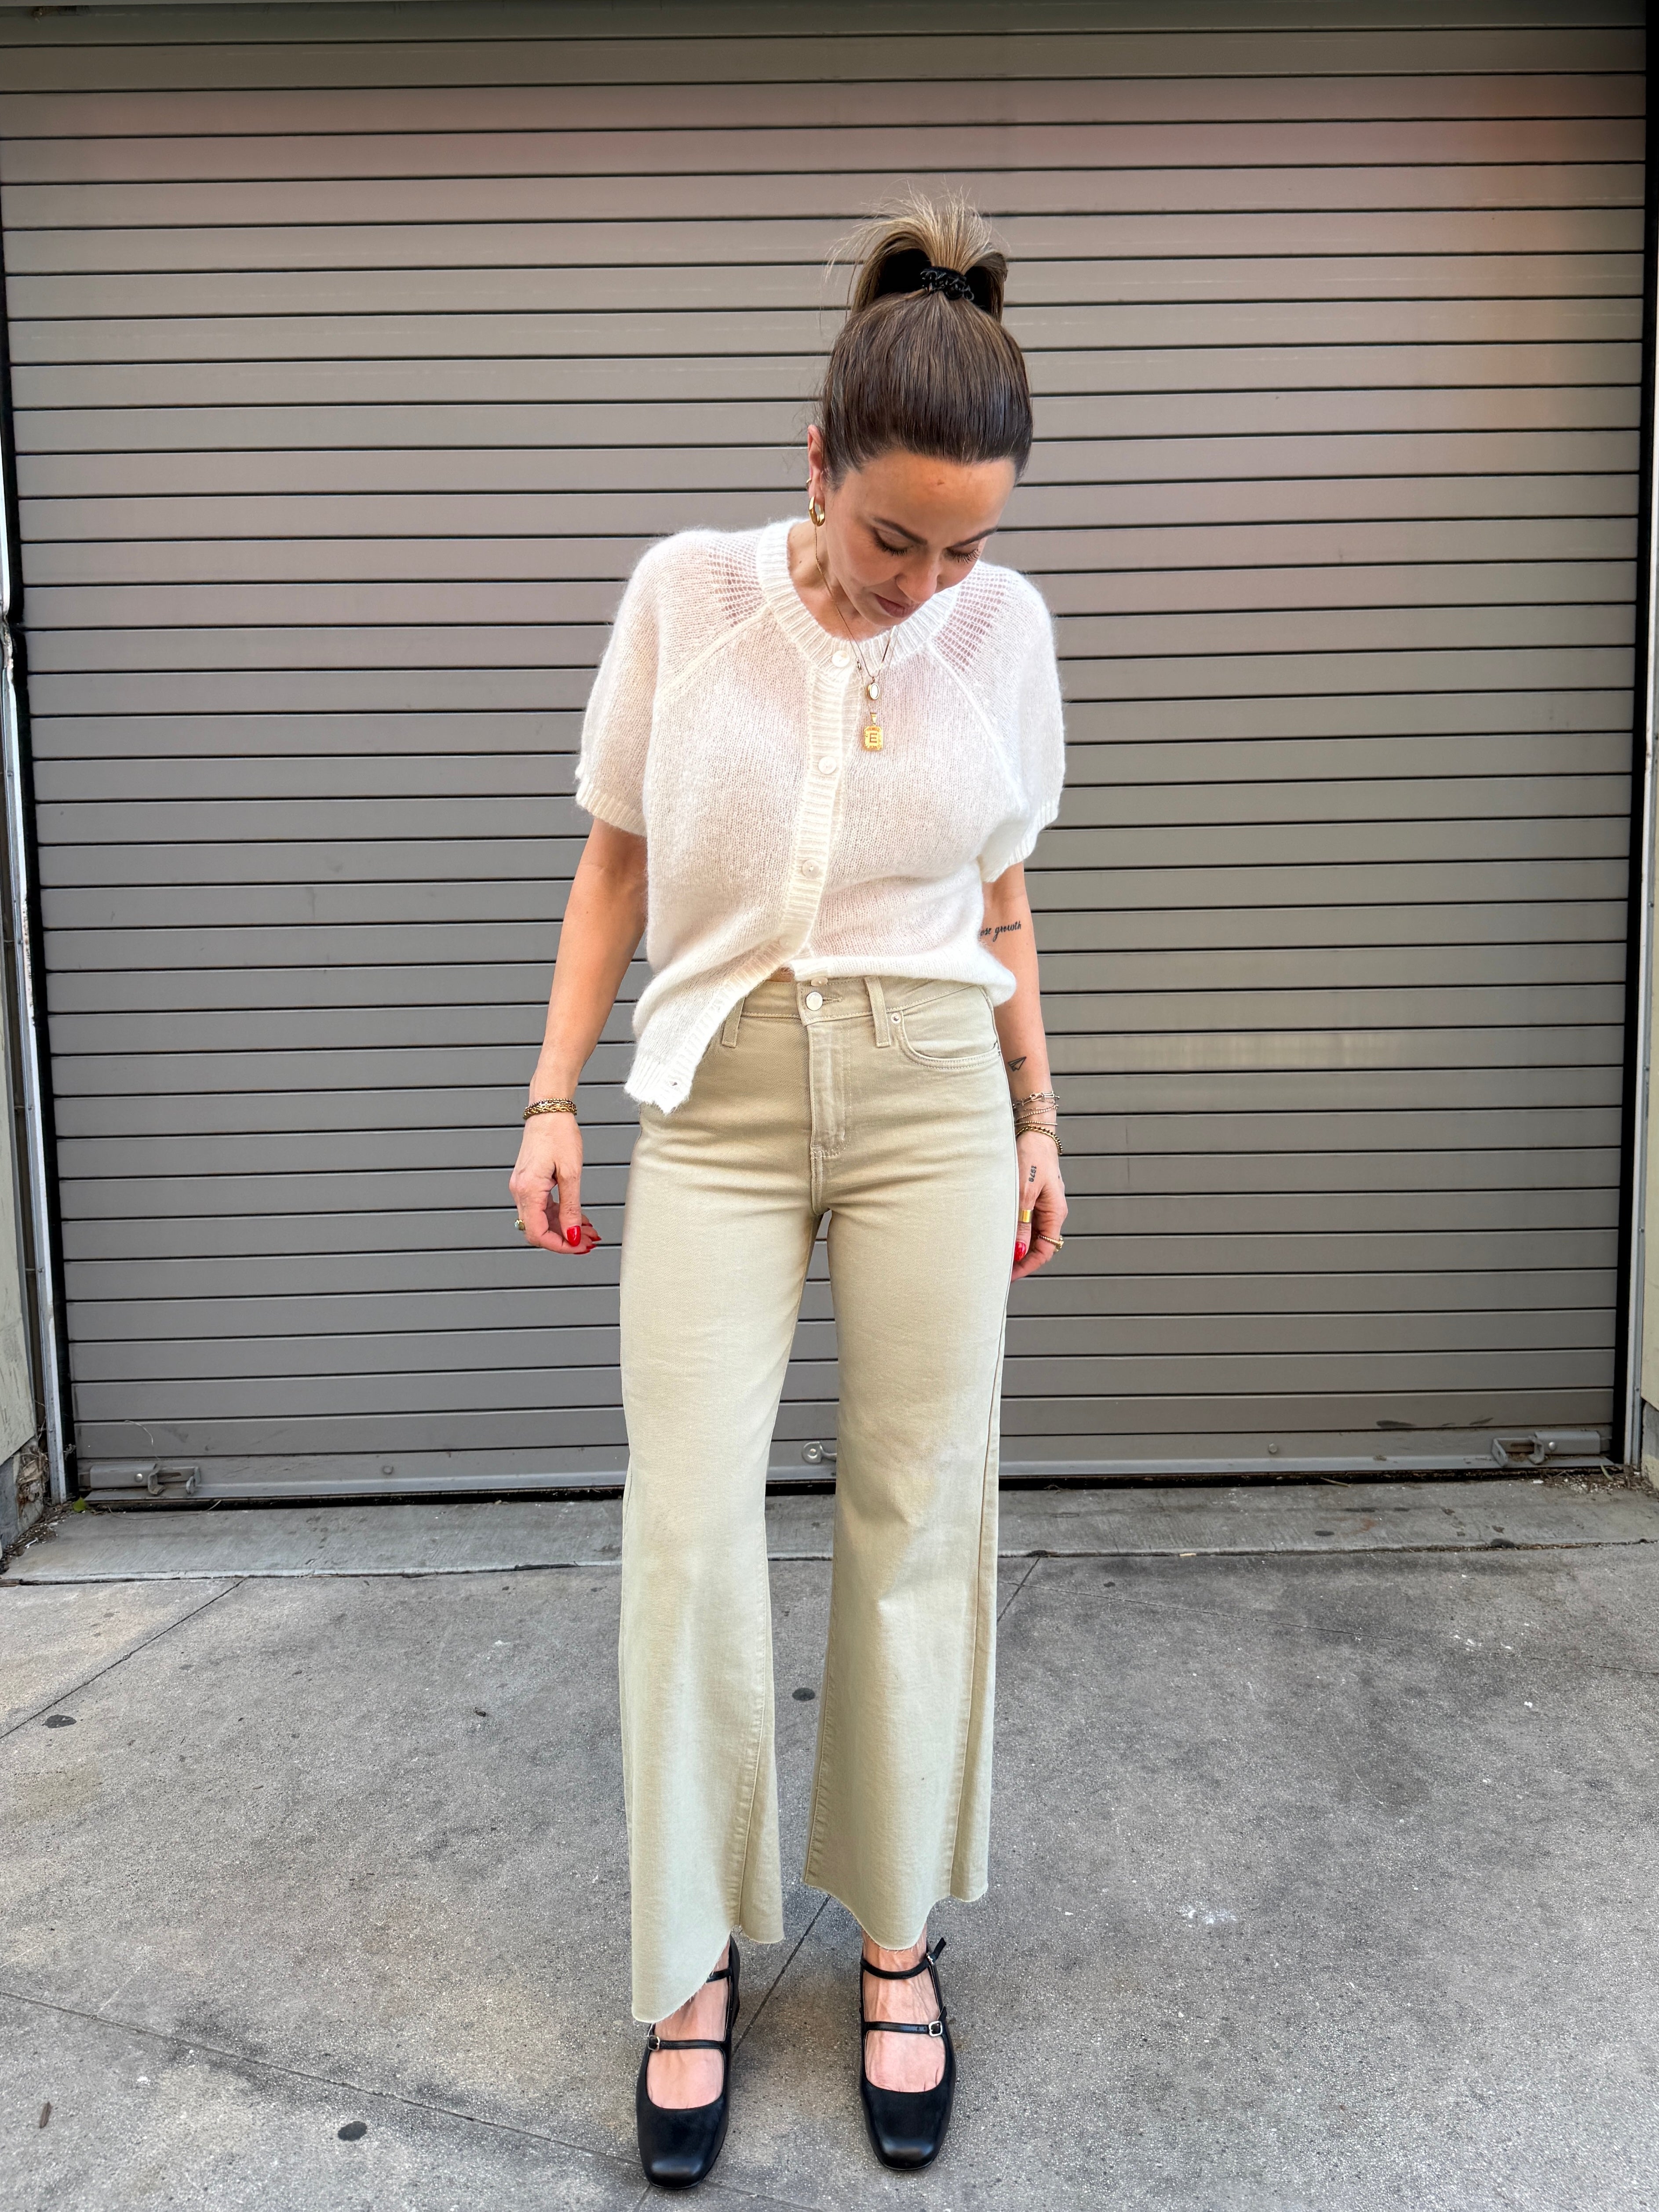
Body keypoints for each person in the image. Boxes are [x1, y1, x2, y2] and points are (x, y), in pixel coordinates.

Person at [509, 193, 1068, 2187]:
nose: (927, 580)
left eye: (967, 543)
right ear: (811, 464)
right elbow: (613, 869)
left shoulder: (1003, 629)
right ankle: (689, 1958)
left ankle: (897, 1935)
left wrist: (1033, 1111)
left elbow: (1001, 893)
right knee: (684, 1520)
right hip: (721, 1102)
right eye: (891, 534)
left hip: (928, 1087)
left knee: (920, 1509)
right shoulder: (682, 597)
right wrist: (553, 1097)